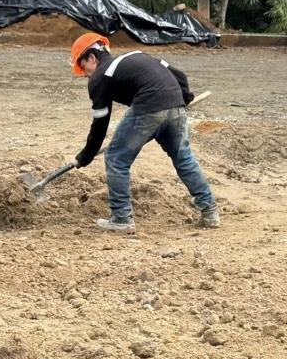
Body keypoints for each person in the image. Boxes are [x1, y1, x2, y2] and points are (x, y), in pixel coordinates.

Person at [69, 33, 221, 232]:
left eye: (83, 68)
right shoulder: (138, 55)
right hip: (174, 104)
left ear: (92, 58)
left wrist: (86, 156)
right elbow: (180, 76)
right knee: (183, 158)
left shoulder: (99, 77)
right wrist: (184, 99)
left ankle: (121, 218)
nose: (85, 74)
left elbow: (100, 124)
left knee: (116, 158)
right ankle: (210, 212)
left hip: (148, 107)